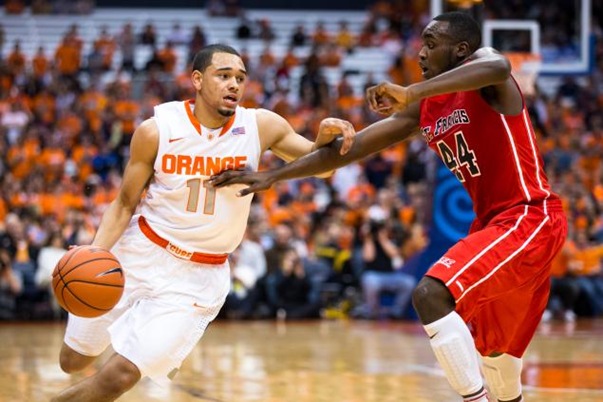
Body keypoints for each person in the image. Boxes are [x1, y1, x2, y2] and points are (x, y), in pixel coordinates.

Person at [210, 12, 568, 402]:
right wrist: (272, 176)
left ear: (461, 50)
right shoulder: (426, 108)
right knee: (497, 357)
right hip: (493, 227)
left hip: (530, 214)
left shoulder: (488, 73)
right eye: (422, 44)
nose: (421, 53)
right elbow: (345, 153)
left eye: (432, 44)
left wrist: (412, 91)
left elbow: (498, 65)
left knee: (430, 294)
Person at [51, 43, 355, 402]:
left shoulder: (261, 126)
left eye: (240, 78)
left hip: (196, 278)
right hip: (140, 251)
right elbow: (123, 204)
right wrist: (94, 253)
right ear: (197, 80)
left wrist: (324, 140)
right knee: (72, 360)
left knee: (120, 376)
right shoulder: (157, 130)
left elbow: (322, 167)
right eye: (223, 75)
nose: (234, 85)